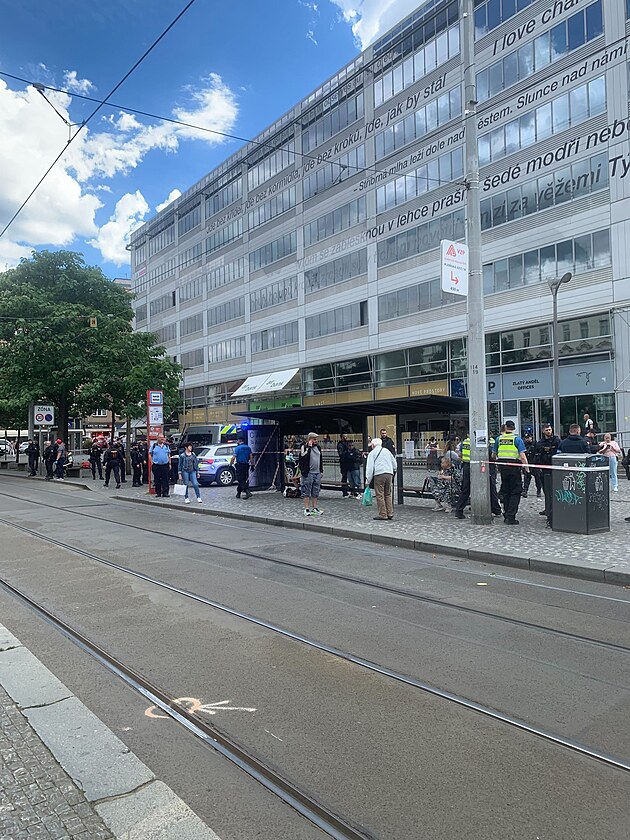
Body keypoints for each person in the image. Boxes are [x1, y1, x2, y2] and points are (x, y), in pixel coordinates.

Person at [492, 420, 528, 525]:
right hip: (514, 467)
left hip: (502, 468)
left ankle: (506, 512)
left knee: (506, 491)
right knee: (516, 491)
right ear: (514, 428)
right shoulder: (517, 439)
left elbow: (494, 455)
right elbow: (522, 456)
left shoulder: (498, 439)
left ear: (505, 427)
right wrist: (527, 469)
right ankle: (510, 516)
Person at [533, 424, 561, 528]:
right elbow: (537, 455)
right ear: (543, 431)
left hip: (554, 468)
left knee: (554, 490)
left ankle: (553, 510)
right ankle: (548, 508)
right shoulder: (540, 443)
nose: (549, 431)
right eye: (547, 430)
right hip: (544, 470)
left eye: (550, 429)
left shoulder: (556, 441)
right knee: (547, 491)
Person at [365, 437, 397, 521]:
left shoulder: (372, 453)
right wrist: (392, 471)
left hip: (379, 474)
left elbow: (369, 468)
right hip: (389, 474)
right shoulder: (387, 451)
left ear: (373, 445)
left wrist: (367, 480)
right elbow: (395, 464)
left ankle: (383, 514)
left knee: (380, 495)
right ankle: (390, 513)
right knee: (388, 494)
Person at [299, 432, 323, 516]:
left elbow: (320, 459)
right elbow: (303, 457)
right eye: (314, 439)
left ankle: (314, 508)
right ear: (310, 439)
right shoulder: (304, 447)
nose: (316, 441)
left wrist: (321, 470)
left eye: (316, 439)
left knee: (315, 491)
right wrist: (309, 447)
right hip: (308, 473)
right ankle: (306, 508)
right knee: (306, 490)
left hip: (317, 472)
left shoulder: (318, 448)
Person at [521, 432, 542, 498]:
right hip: (528, 463)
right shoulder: (524, 444)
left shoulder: (536, 444)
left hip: (535, 464)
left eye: (528, 438)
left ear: (531, 437)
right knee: (527, 478)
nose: (527, 439)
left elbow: (538, 453)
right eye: (526, 438)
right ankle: (525, 490)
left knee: (538, 478)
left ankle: (538, 491)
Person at [233, 435, 254, 499]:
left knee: (240, 479)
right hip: (246, 465)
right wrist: (253, 465)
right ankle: (238, 493)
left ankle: (247, 492)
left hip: (239, 465)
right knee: (243, 479)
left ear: (239, 441)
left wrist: (230, 465)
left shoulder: (237, 448)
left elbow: (233, 458)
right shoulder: (248, 448)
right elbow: (251, 458)